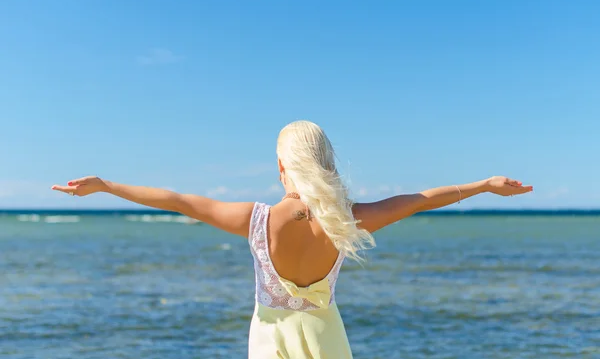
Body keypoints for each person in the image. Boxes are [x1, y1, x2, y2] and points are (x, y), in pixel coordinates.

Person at [51, 120, 533, 358]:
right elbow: (421, 198)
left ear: (282, 166)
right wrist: (484, 184)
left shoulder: (256, 220)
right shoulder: (348, 220)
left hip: (270, 339)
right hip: (326, 338)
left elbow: (177, 199)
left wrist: (108, 185)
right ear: (325, 163)